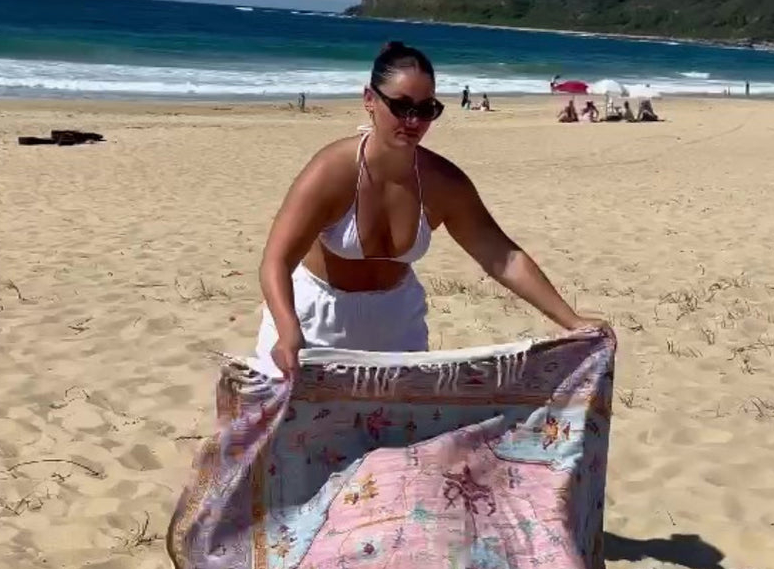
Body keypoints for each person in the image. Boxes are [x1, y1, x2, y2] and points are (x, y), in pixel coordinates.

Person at [254, 41, 603, 379]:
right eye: (401, 106)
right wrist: (287, 329)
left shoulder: (442, 182)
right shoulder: (333, 171)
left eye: (425, 110)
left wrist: (572, 321)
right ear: (369, 99)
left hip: (396, 326)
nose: (413, 121)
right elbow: (276, 261)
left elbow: (503, 258)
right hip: (314, 322)